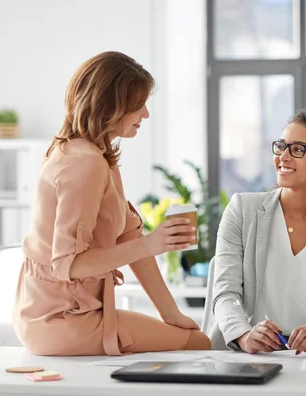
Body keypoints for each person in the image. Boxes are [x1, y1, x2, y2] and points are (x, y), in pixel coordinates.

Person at [13, 51, 211, 356]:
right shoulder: (85, 163)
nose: (145, 114)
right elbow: (69, 264)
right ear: (109, 106)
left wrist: (170, 313)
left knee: (192, 337)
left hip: (67, 309)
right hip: (59, 319)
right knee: (200, 345)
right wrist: (151, 245)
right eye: (137, 105)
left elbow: (127, 235)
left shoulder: (98, 155)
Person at [209, 109, 306, 355]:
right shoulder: (241, 209)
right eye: (281, 146)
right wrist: (244, 335)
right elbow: (225, 291)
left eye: (298, 149)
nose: (284, 156)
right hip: (242, 353)